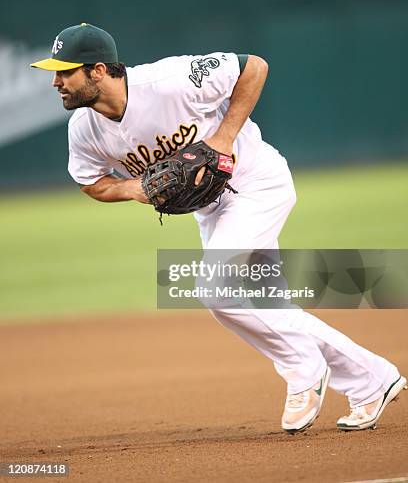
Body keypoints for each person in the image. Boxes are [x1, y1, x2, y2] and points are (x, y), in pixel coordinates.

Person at [31, 22, 406, 433]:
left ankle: (303, 370)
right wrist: (134, 188)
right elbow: (92, 183)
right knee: (270, 308)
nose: (56, 82)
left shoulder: (169, 82)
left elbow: (254, 67)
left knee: (216, 287)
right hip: (211, 210)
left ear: (98, 70)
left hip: (255, 183)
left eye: (65, 71)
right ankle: (374, 380)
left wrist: (223, 140)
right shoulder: (84, 130)